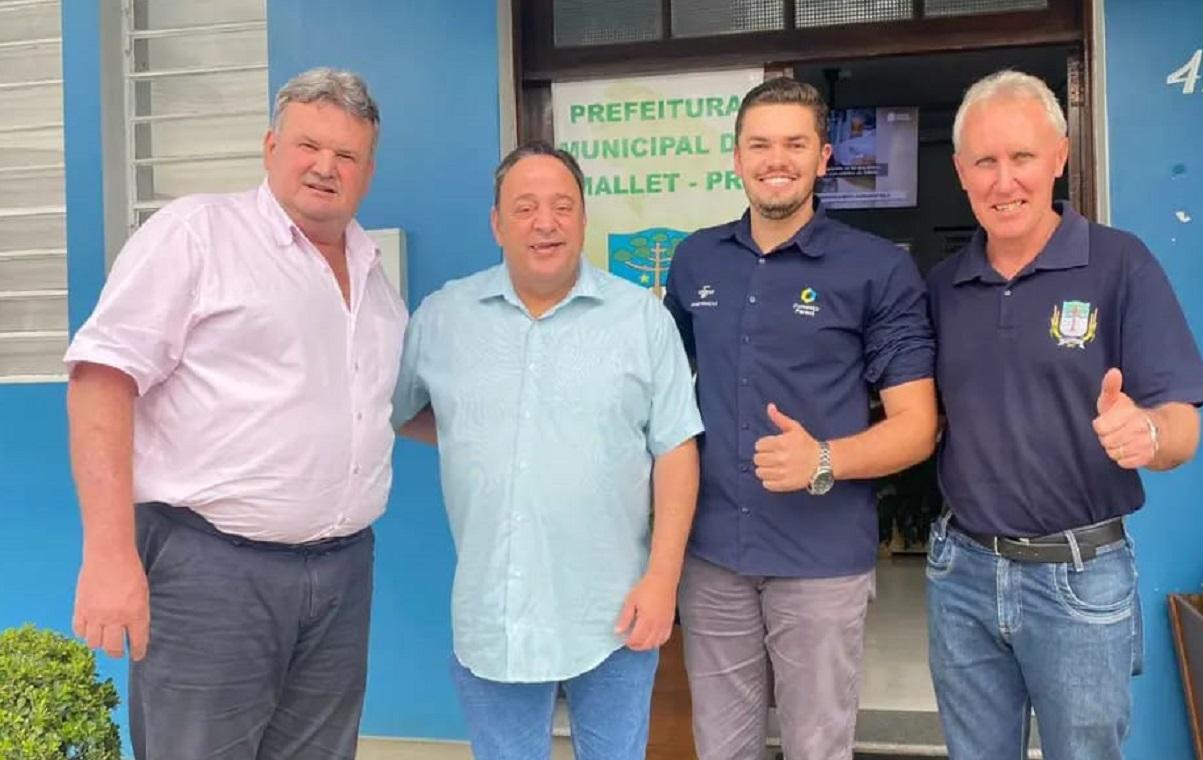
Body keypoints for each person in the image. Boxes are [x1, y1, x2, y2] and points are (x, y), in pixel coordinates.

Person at [65, 68, 404, 759]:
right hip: (211, 572)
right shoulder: (197, 234)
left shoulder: (373, 274)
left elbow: (379, 406)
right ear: (271, 147)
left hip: (342, 574)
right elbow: (102, 381)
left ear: (368, 172)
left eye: (347, 155)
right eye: (309, 145)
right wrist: (108, 553)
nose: (325, 167)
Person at [926, 69, 1203, 760]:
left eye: (1022, 157)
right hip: (961, 573)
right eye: (985, 162)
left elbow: (1184, 427)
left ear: (1059, 157)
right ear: (961, 172)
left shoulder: (1120, 264)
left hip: (1080, 578)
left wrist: (1147, 432)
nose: (1004, 181)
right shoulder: (942, 287)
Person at [392, 141, 702, 760]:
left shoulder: (641, 320)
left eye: (562, 206)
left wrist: (663, 579)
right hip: (495, 611)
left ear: (584, 218)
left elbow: (675, 450)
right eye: (525, 207)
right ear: (496, 223)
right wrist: (486, 437)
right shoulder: (443, 318)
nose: (545, 222)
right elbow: (404, 413)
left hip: (614, 609)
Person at [663, 76, 938, 760]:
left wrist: (823, 459)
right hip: (713, 556)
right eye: (759, 145)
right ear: (736, 158)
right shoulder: (696, 260)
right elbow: (661, 396)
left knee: (817, 748)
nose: (775, 160)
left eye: (794, 143)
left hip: (821, 561)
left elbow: (917, 426)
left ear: (823, 158)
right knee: (721, 749)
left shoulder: (876, 269)